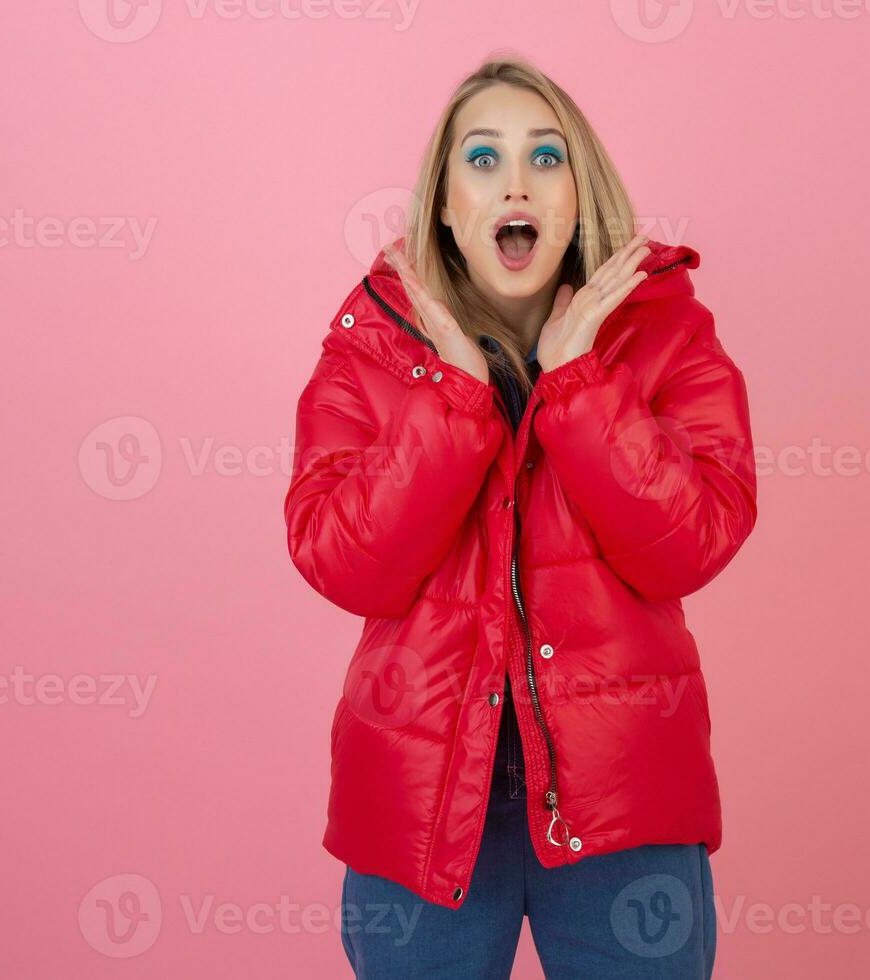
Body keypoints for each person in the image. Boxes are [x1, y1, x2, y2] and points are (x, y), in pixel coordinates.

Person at [284, 56, 758, 978]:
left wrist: (580, 382)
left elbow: (693, 542)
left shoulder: (665, 332)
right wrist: (457, 397)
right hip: (422, 800)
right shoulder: (369, 349)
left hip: (624, 789)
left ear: (579, 196)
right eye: (483, 158)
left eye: (547, 157)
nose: (515, 180)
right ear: (447, 208)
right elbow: (346, 565)